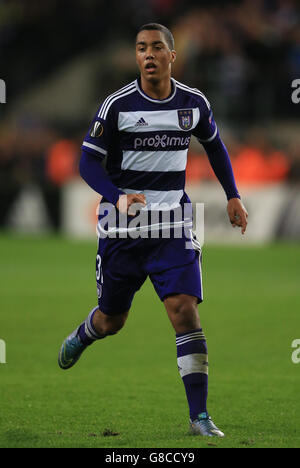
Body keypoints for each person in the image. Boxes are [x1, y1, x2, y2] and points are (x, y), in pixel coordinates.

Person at [58, 23, 248, 438]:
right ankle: (84, 333)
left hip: (173, 225)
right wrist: (116, 196)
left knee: (184, 311)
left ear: (171, 56)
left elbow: (213, 144)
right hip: (123, 228)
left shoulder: (193, 103)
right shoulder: (117, 105)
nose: (148, 54)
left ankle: (199, 417)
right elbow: (87, 163)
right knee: (113, 320)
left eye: (156, 47)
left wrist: (232, 195)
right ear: (137, 56)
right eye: (141, 48)